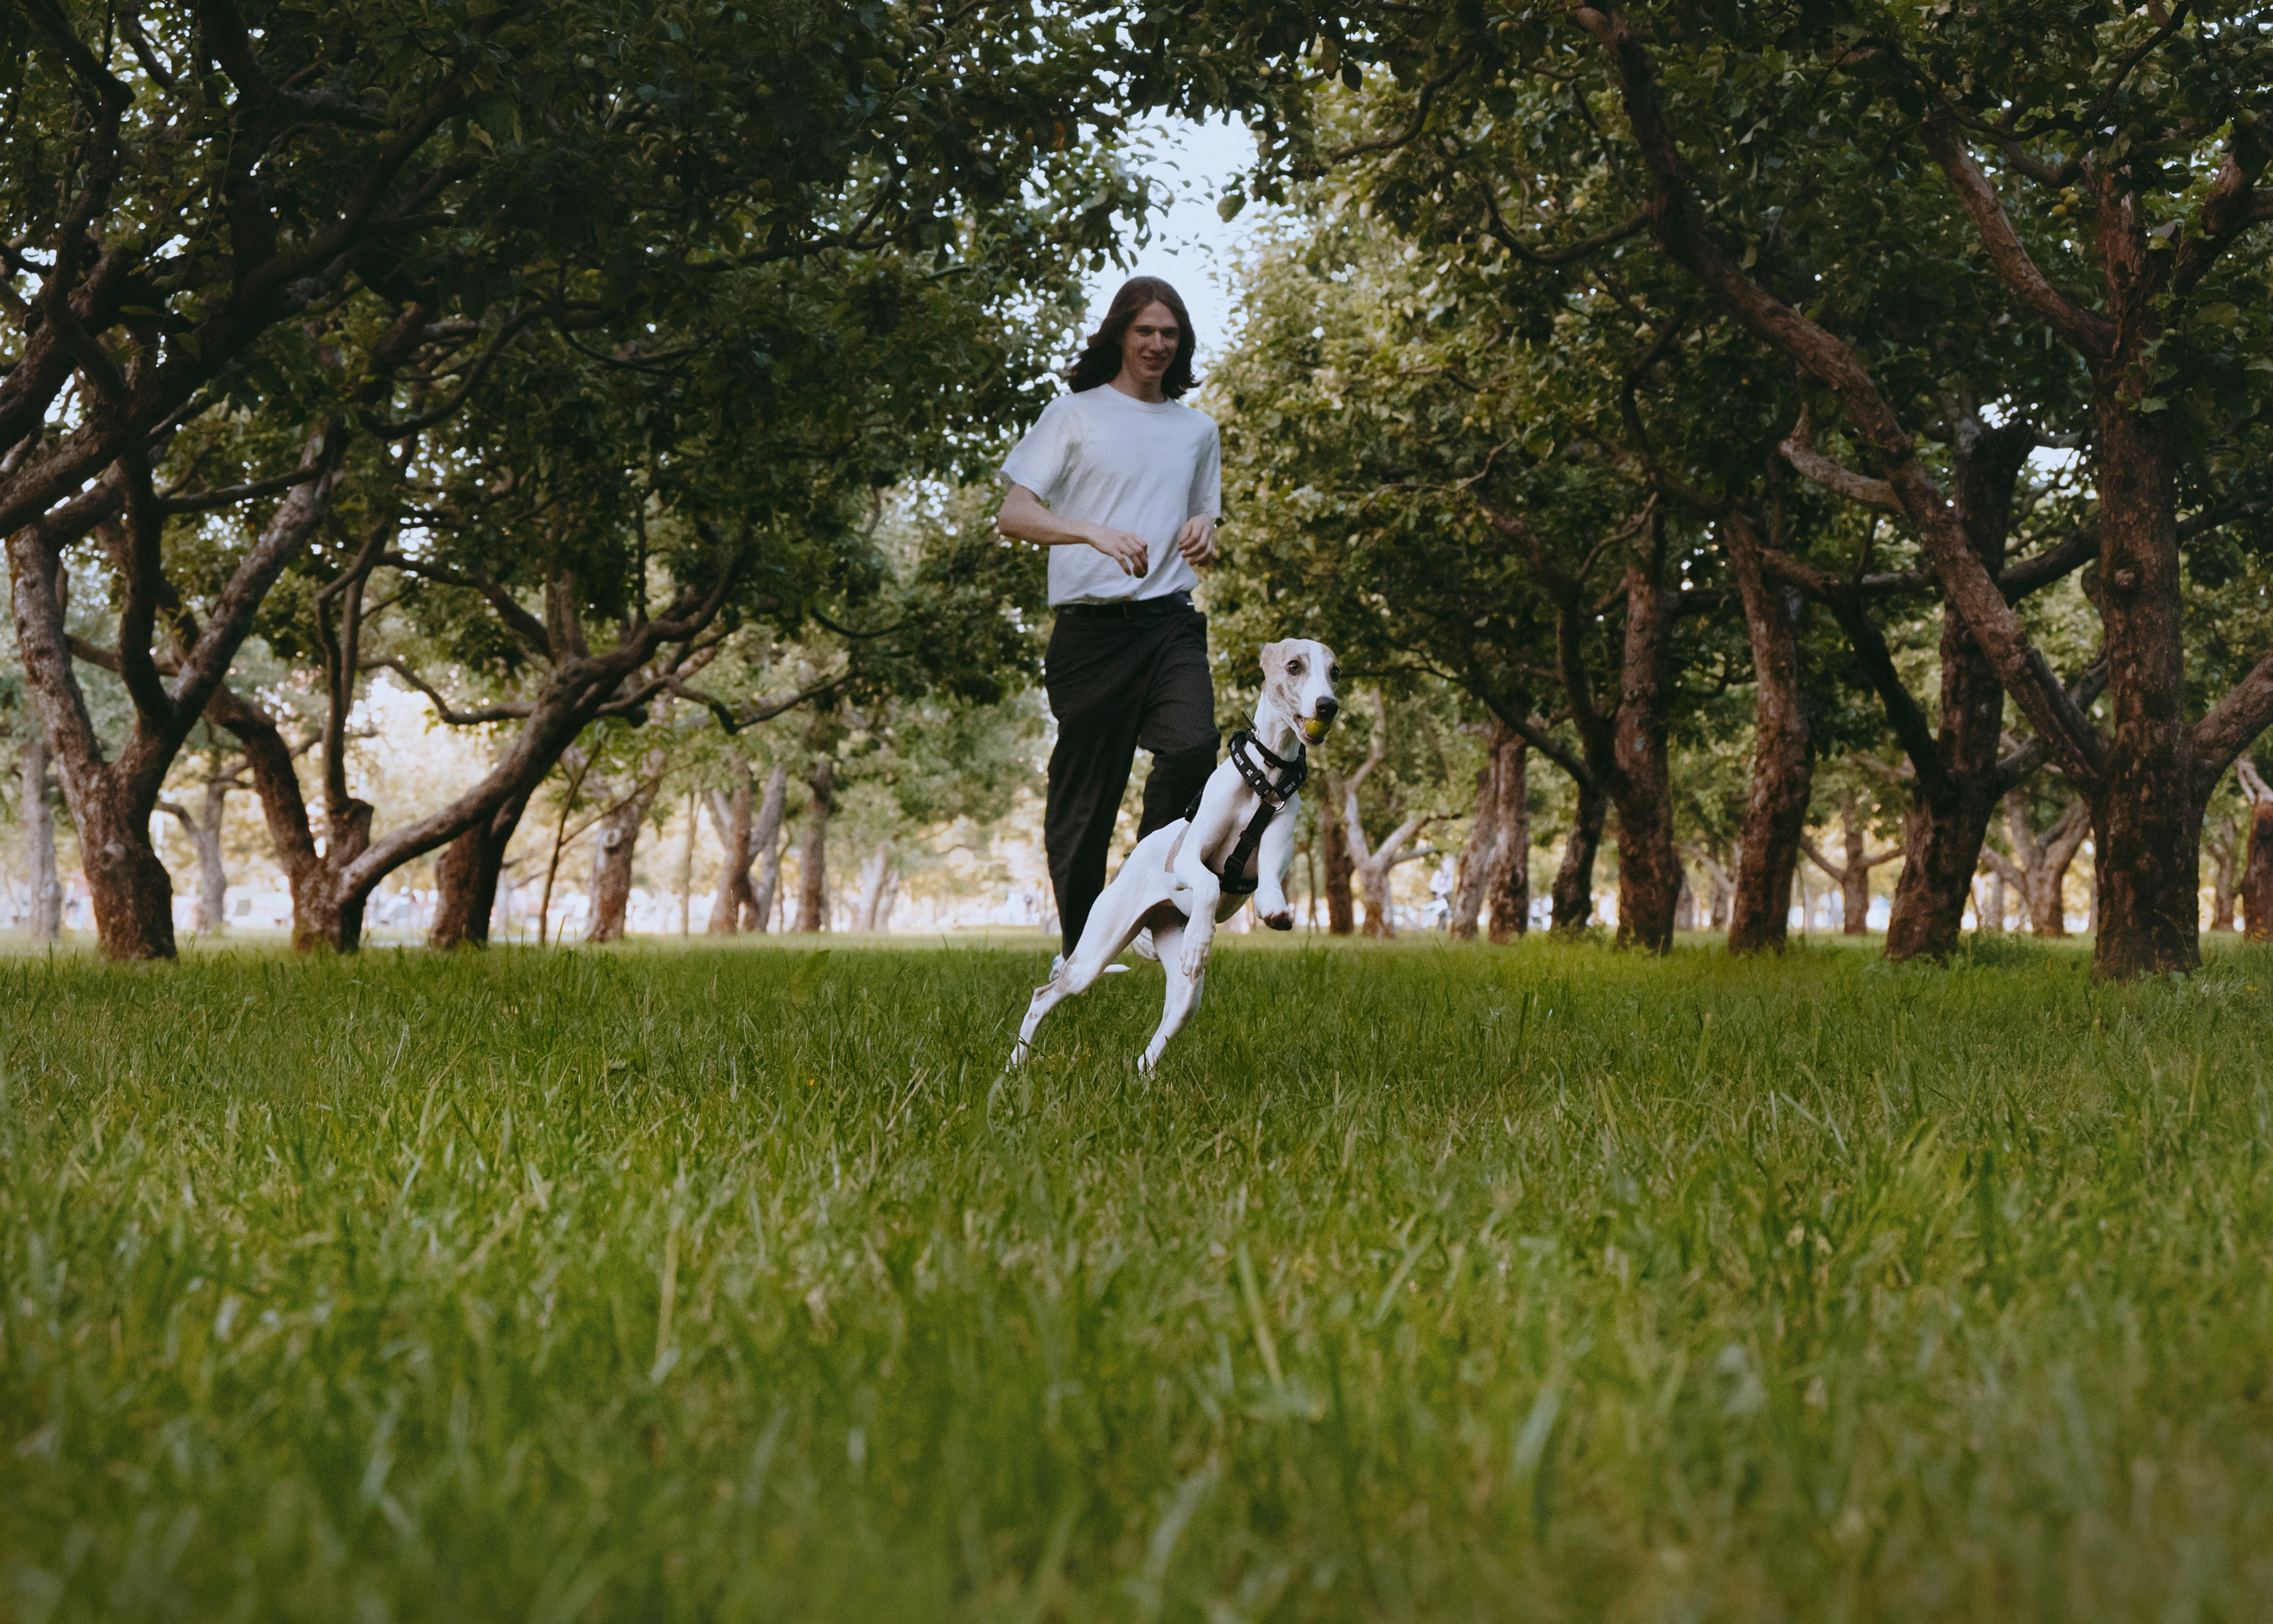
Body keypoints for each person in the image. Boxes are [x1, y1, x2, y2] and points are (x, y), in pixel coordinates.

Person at [996, 276, 1222, 959]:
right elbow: (1013, 513)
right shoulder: (1074, 414)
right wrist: (1091, 532)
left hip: (1168, 623)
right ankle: (1081, 948)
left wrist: (1206, 527)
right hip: (1089, 635)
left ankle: (1151, 897)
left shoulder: (1196, 429)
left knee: (1192, 748)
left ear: (1180, 344)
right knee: (1085, 807)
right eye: (1145, 330)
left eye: (1170, 333)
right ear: (1121, 334)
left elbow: (1203, 510)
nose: (1157, 344)